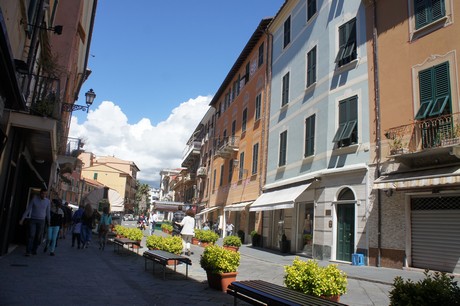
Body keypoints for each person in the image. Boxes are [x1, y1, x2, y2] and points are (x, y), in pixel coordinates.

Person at [19, 188, 51, 256]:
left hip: (42, 220)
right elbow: (28, 209)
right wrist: (22, 219)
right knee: (31, 235)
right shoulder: (34, 199)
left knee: (38, 236)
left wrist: (49, 221)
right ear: (40, 193)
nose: (44, 195)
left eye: (45, 194)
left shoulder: (48, 201)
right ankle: (28, 251)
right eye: (43, 194)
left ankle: (34, 250)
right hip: (33, 219)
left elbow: (48, 212)